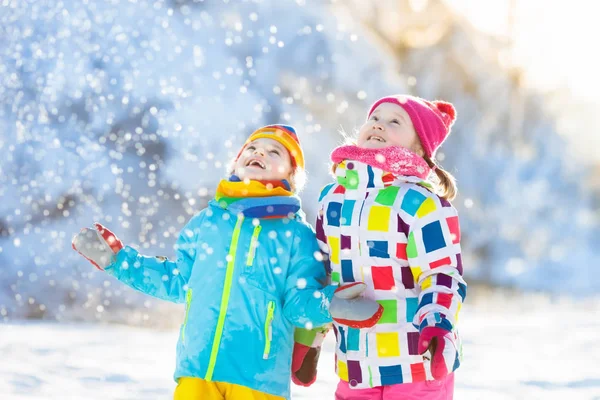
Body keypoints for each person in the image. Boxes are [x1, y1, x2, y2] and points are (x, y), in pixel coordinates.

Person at [72, 124, 382, 400]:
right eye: (252, 148)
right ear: (236, 161)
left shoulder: (295, 234)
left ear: (291, 175)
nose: (259, 152)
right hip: (198, 370)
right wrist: (119, 261)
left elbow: (297, 302)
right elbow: (178, 281)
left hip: (258, 378)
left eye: (274, 152)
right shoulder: (206, 222)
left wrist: (331, 304)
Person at [316, 96, 467, 399]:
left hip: (416, 362)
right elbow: (320, 272)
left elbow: (441, 273)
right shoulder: (333, 200)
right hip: (355, 362)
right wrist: (310, 337)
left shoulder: (420, 204)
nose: (378, 124)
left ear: (418, 148)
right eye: (374, 117)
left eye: (394, 121)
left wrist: (437, 323)